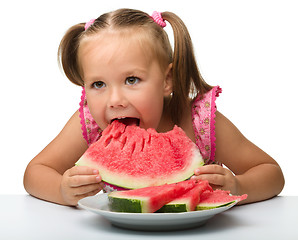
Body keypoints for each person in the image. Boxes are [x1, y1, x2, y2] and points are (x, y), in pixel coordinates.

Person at [23, 9, 284, 206]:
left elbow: (272, 173)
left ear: (166, 80)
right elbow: (34, 173)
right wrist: (61, 189)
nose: (115, 99)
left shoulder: (200, 122)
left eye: (131, 80)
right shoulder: (90, 122)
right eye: (98, 84)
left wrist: (238, 185)